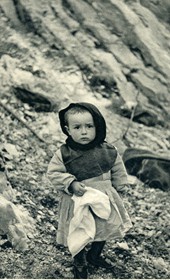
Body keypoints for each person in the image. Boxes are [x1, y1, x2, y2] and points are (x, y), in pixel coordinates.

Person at [47, 102, 132, 278]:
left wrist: (121, 184)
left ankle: (94, 255)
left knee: (104, 227)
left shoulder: (108, 150)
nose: (84, 132)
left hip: (104, 198)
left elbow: (118, 168)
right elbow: (54, 173)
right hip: (78, 201)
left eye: (89, 126)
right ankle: (80, 261)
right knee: (78, 229)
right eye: (77, 127)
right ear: (67, 129)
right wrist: (70, 183)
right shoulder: (64, 153)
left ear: (97, 126)